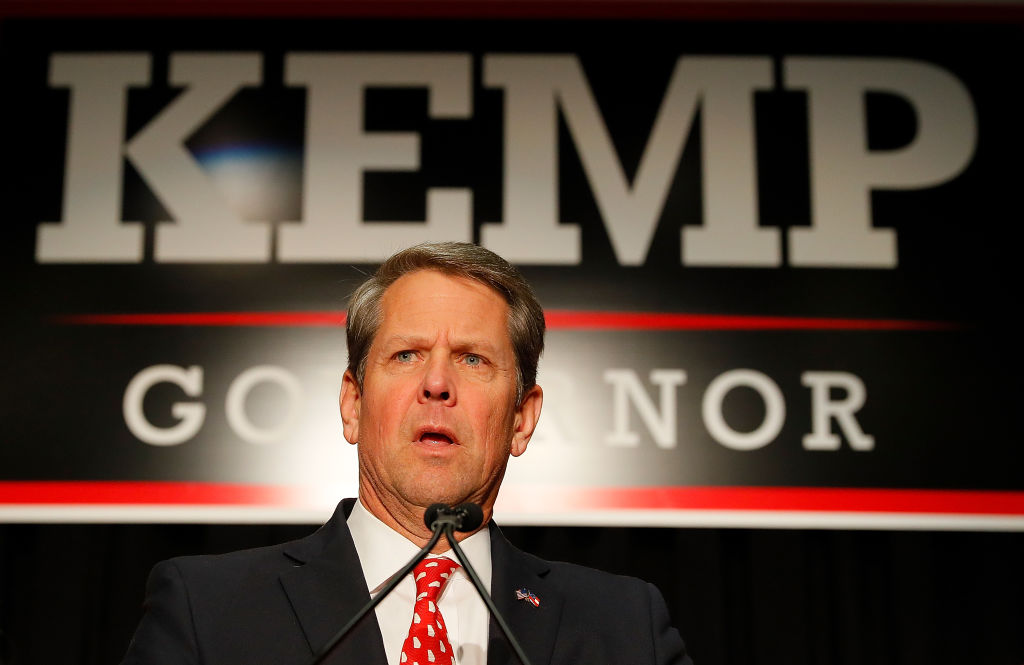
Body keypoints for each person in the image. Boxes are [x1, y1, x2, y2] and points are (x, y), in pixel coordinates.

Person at [121, 242, 692, 665]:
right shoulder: (207, 610)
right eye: (407, 356)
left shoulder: (624, 627)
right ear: (352, 403)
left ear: (522, 419)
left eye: (472, 359)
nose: (437, 383)